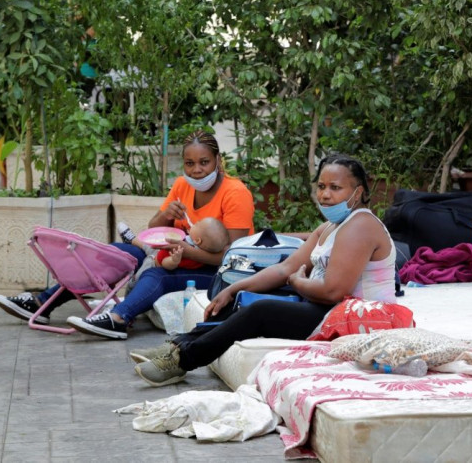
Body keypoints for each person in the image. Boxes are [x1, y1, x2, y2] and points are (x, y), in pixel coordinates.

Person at [131, 153, 397, 387]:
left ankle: (183, 360)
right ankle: (179, 343)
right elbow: (284, 269)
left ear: (358, 192)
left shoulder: (361, 225)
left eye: (336, 188)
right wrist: (234, 288)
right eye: (322, 186)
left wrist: (296, 281)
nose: (325, 195)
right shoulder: (330, 227)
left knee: (262, 310)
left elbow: (332, 291)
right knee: (242, 296)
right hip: (329, 308)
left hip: (362, 318)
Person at [0, 129, 255, 340]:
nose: (197, 170)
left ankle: (118, 318)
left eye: (204, 162)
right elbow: (153, 229)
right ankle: (43, 302)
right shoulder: (181, 185)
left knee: (157, 275)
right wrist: (166, 215)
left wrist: (183, 251)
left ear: (218, 161)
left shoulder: (235, 193)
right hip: (178, 255)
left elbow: (232, 257)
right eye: (190, 163)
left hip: (218, 273)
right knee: (116, 254)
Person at [118, 217, 230, 270]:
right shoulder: (194, 241)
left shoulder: (189, 256)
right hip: (160, 250)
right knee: (148, 245)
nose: (194, 223)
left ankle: (129, 293)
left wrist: (173, 260)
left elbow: (165, 264)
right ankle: (132, 240)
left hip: (154, 262)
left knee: (138, 277)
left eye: (197, 224)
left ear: (198, 241)